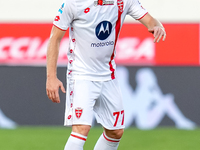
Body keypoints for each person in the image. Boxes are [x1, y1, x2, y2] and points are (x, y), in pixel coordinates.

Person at [46, 0, 166, 149]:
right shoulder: (74, 3)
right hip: (81, 74)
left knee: (115, 132)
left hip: (108, 75)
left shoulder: (123, 1)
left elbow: (149, 20)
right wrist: (51, 77)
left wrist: (157, 26)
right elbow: (54, 38)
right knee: (81, 129)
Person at [117, 67, 196, 130]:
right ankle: (181, 121)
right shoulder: (135, 91)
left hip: (137, 122)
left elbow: (159, 99)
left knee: (166, 100)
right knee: (166, 100)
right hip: (137, 122)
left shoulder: (145, 90)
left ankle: (181, 122)